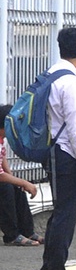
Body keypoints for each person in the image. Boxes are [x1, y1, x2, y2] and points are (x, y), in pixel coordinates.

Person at [35, 27, 76, 270]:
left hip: (52, 151)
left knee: (60, 213)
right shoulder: (70, 81)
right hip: (66, 154)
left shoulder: (51, 74)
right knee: (65, 215)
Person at [0, 104, 42, 246]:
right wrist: (22, 182)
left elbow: (2, 158)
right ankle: (11, 235)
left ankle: (27, 231)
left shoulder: (1, 140)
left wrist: (15, 181)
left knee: (15, 188)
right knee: (5, 189)